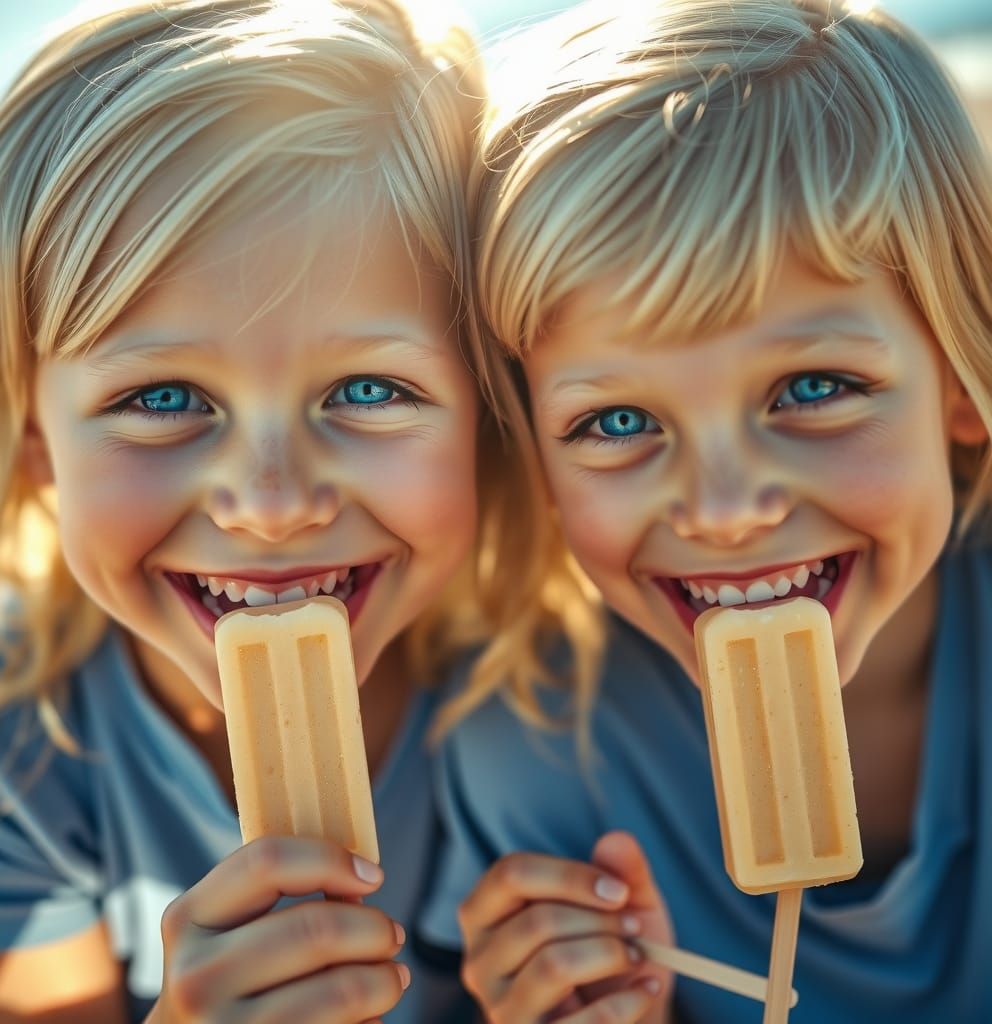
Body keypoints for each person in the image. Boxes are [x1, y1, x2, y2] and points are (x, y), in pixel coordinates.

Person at [0, 1, 581, 1020]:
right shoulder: (7, 757)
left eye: (368, 390)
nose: (271, 504)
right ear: (36, 440)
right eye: (161, 400)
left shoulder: (579, 714)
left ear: (487, 409)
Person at [419, 1, 992, 1021]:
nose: (725, 512)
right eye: (618, 419)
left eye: (812, 388)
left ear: (959, 376)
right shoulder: (537, 765)